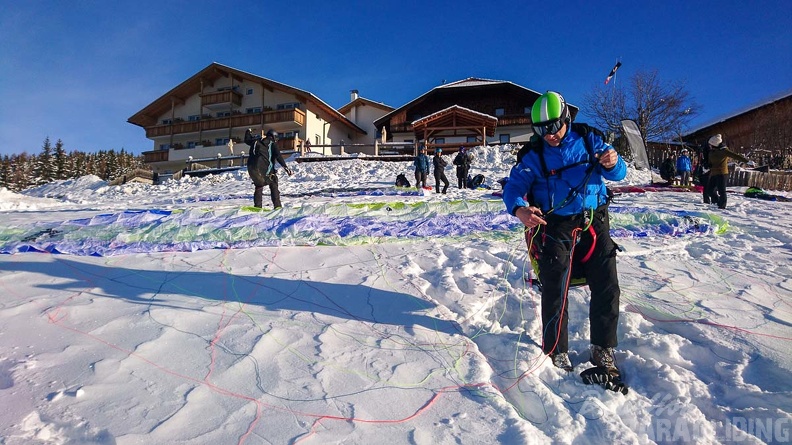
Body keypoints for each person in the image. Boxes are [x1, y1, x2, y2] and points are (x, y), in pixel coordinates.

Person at [502, 91, 627, 379]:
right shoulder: (533, 156)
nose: (549, 135)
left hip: (595, 220)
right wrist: (520, 210)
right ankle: (556, 349)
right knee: (555, 284)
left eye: (553, 127)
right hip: (557, 225)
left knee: (607, 284)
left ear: (566, 119)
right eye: (541, 130)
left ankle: (603, 347)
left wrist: (612, 162)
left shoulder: (589, 139)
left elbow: (618, 174)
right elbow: (513, 188)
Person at [245, 128, 292, 209]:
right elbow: (278, 156)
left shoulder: (256, 141)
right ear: (273, 137)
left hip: (251, 168)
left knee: (259, 185)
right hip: (264, 169)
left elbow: (247, 140)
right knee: (273, 182)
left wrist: (248, 131)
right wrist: (286, 168)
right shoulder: (272, 143)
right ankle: (277, 206)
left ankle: (257, 207)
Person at [706, 134, 748, 209]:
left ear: (714, 144)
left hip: (722, 173)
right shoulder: (711, 151)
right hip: (713, 173)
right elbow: (710, 162)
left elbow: (735, 155)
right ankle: (717, 202)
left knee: (721, 191)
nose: (709, 145)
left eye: (710, 144)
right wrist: (707, 165)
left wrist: (746, 161)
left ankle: (722, 206)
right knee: (710, 190)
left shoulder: (724, 150)